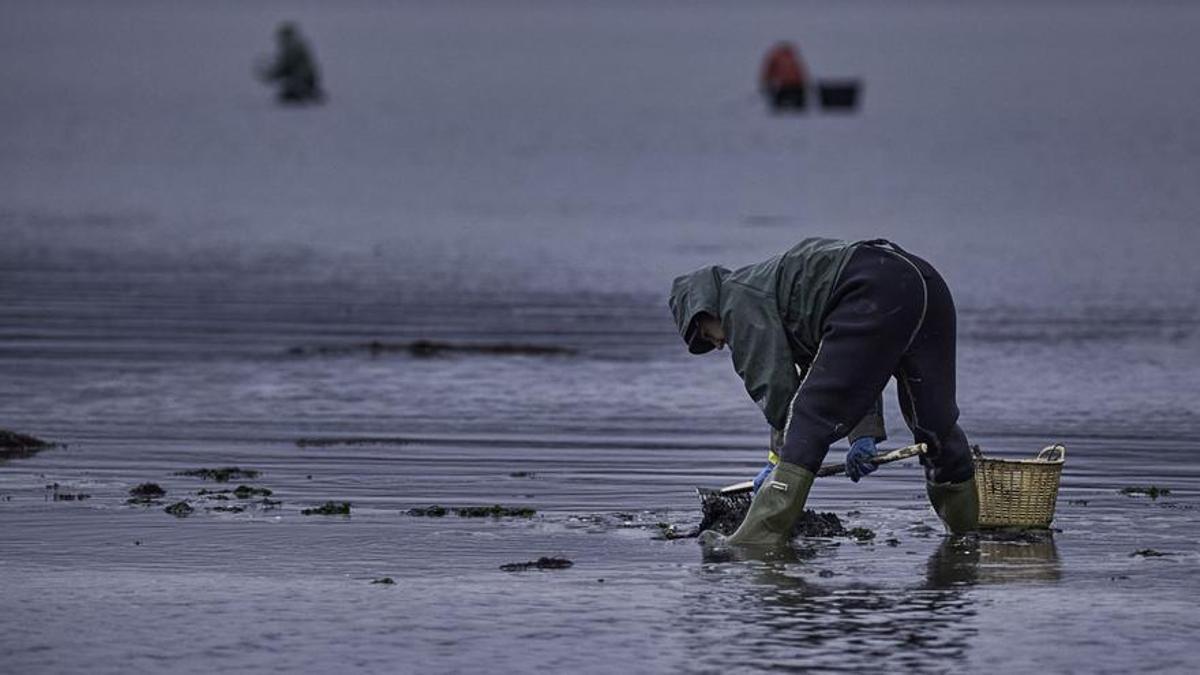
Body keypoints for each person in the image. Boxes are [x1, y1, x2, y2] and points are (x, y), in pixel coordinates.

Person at [668, 238, 979, 547]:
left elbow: (776, 388)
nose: (717, 344)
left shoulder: (738, 300)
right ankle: (967, 534)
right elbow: (855, 371)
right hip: (922, 282)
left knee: (808, 417)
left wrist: (779, 461)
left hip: (870, 288)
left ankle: (754, 543)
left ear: (705, 307)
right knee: (935, 426)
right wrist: (862, 436)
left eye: (706, 336)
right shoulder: (777, 296)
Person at [260, 22, 324, 104]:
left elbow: (284, 67)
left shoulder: (292, 48)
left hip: (302, 79)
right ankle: (307, 93)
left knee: (288, 96)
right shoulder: (295, 47)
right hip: (306, 78)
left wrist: (270, 75)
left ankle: (305, 93)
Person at [759, 42, 809, 110]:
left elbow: (768, 72)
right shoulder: (791, 57)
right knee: (797, 104)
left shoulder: (777, 57)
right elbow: (800, 72)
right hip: (794, 85)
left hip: (788, 85)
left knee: (779, 105)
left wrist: (766, 82)